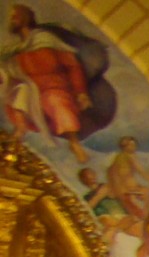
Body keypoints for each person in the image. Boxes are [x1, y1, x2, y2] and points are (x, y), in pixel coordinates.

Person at [0, 4, 109, 164]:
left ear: (26, 18)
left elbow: (72, 66)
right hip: (30, 88)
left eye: (15, 15)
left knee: (55, 101)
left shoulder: (46, 40)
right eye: (11, 17)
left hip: (53, 87)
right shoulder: (15, 50)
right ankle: (20, 130)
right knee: (19, 91)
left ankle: (73, 142)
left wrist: (81, 92)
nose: (12, 19)